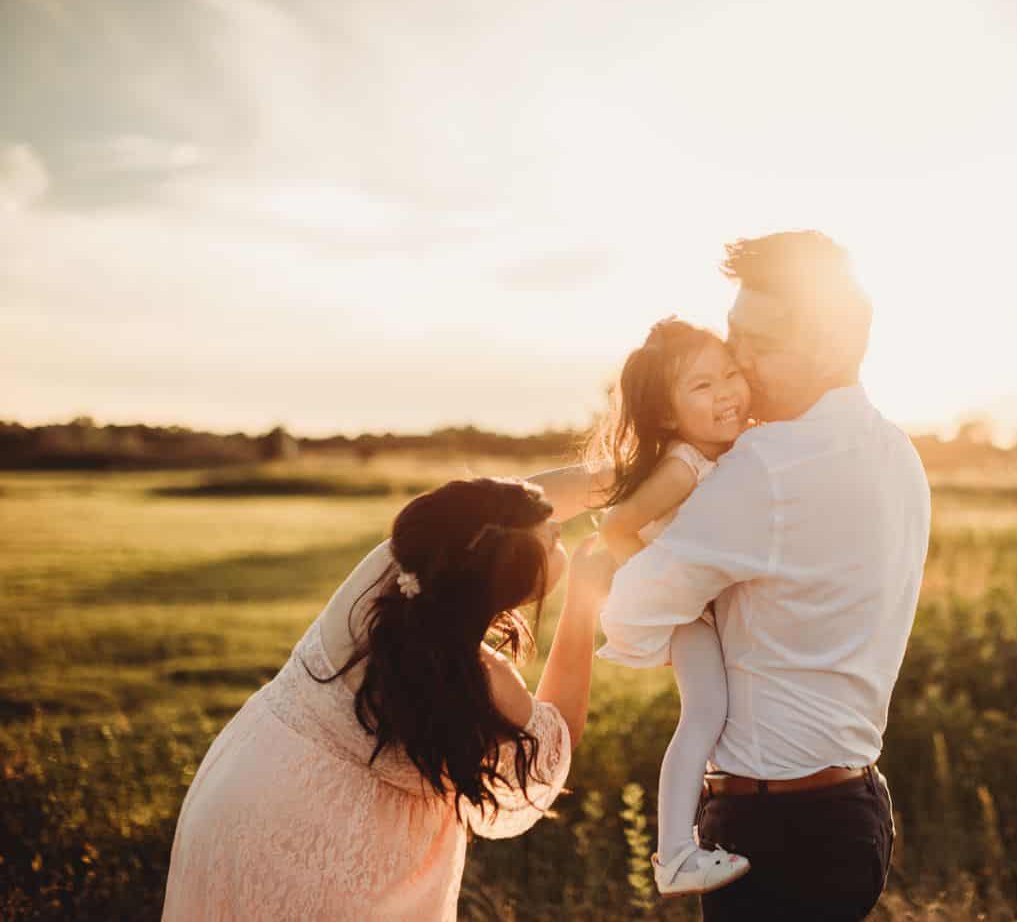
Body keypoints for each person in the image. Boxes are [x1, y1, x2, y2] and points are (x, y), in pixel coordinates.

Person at [598, 230, 932, 920]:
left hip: (777, 832)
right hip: (858, 813)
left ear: (832, 345)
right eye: (732, 336)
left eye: (759, 344)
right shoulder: (898, 452)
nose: (737, 363)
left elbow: (628, 616)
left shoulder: (768, 466)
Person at [162, 477, 616, 921]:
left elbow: (515, 501)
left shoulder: (392, 572)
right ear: (511, 581)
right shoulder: (485, 684)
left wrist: (636, 466)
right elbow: (557, 734)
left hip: (250, 792)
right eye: (551, 542)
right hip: (354, 864)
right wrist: (583, 598)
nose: (557, 528)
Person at [587, 316, 754, 897]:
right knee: (704, 715)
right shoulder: (686, 463)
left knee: (713, 713)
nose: (726, 392)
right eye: (702, 387)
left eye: (730, 374)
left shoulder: (736, 449)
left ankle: (685, 846)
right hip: (687, 611)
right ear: (666, 414)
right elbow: (618, 527)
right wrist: (667, 599)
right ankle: (676, 854)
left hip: (696, 607)